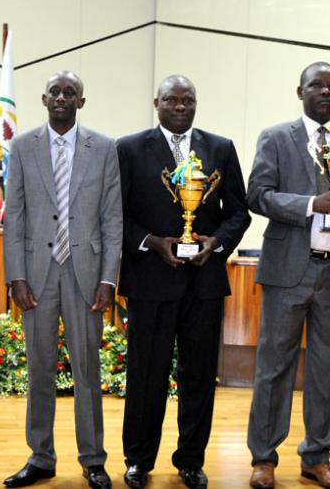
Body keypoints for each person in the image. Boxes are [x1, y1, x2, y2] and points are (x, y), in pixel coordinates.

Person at [246, 62, 330, 489]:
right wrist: (311, 205)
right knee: (274, 367)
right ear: (300, 91)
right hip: (287, 271)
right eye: (317, 85)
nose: (326, 91)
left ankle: (317, 458)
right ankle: (263, 458)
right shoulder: (275, 138)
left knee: (325, 370)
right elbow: (257, 195)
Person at [116, 75, 251, 489]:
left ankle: (191, 460)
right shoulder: (129, 149)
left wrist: (216, 242)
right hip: (149, 281)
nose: (180, 106)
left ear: (195, 103)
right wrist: (151, 242)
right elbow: (115, 213)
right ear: (156, 102)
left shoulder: (220, 148)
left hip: (203, 283)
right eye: (172, 99)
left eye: (187, 100)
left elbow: (239, 212)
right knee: (146, 375)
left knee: (199, 377)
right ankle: (138, 459)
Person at [2, 71, 122, 489]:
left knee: (87, 369)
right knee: (40, 369)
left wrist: (109, 278)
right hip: (37, 273)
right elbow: (14, 216)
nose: (62, 98)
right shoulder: (22, 146)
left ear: (80, 102)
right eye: (55, 91)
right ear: (44, 98)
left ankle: (93, 459)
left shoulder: (104, 148)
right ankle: (41, 457)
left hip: (85, 274)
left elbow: (112, 218)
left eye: (70, 93)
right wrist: (15, 275)